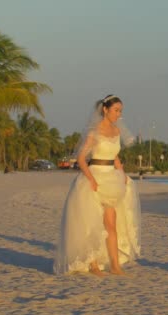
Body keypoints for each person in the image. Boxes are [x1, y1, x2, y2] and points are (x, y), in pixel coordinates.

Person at [54, 95, 141, 276]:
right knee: (91, 223)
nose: (119, 114)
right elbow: (81, 158)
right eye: (116, 110)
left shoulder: (117, 132)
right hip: (93, 178)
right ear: (105, 109)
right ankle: (93, 265)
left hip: (111, 179)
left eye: (120, 111)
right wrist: (91, 179)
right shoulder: (94, 132)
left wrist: (123, 174)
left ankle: (115, 265)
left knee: (111, 223)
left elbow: (115, 156)